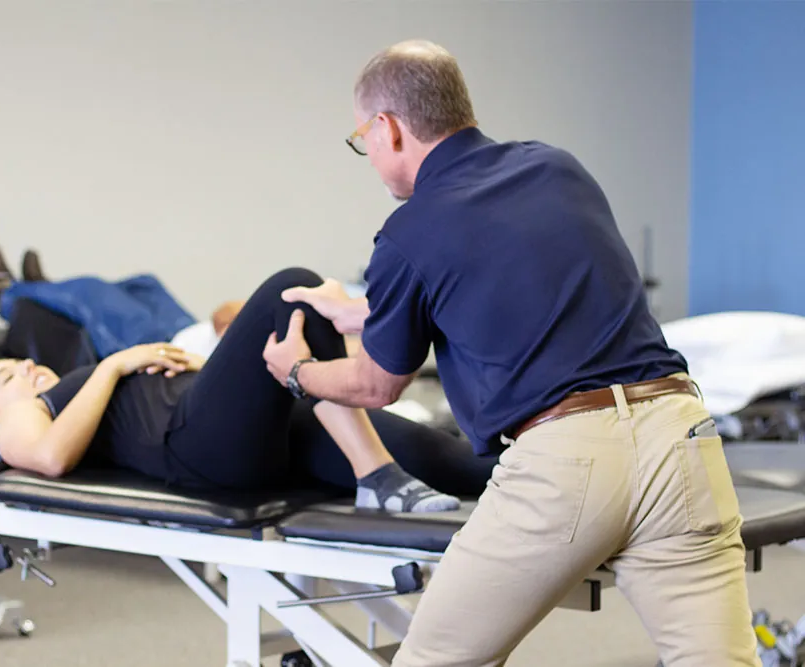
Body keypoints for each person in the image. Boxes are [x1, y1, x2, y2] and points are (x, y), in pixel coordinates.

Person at [262, 40, 759, 666]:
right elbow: (509, 293)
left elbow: (376, 384)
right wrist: (366, 312)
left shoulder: (410, 231)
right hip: (681, 437)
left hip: (568, 462)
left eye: (363, 139)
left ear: (386, 129)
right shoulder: (557, 169)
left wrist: (299, 372)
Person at [0, 266, 498, 512]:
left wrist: (207, 367)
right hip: (198, 447)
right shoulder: (22, 419)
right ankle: (377, 476)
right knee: (287, 290)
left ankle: (546, 457)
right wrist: (114, 366)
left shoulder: (81, 387)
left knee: (460, 465)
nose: (26, 367)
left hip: (273, 430)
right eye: (5, 376)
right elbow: (50, 458)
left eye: (19, 361)